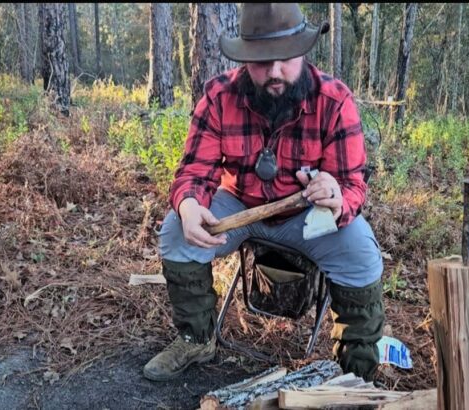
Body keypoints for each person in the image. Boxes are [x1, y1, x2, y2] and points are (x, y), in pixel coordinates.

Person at [143, 3, 385, 383]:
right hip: (239, 204)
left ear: (303, 51)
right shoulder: (219, 97)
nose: (274, 72)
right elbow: (194, 171)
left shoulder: (334, 101)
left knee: (360, 253)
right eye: (261, 60)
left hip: (306, 215)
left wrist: (338, 198)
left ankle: (356, 371)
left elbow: (352, 184)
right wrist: (188, 205)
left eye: (285, 58)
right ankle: (196, 338)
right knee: (175, 231)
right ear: (244, 57)